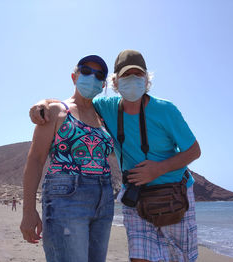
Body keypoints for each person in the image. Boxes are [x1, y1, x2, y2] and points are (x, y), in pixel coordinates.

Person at [30, 50, 201, 262]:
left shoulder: (166, 110)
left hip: (175, 193)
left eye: (138, 76)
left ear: (146, 80)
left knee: (182, 258)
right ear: (115, 82)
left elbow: (194, 150)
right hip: (136, 198)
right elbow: (73, 103)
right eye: (126, 77)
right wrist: (43, 103)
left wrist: (157, 169)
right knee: (140, 258)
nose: (132, 82)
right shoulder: (106, 108)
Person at [20, 55, 114, 262]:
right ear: (74, 76)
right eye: (86, 71)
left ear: (103, 85)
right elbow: (35, 160)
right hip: (67, 198)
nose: (92, 77)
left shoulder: (103, 117)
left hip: (105, 200)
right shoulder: (56, 111)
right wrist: (28, 211)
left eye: (99, 75)